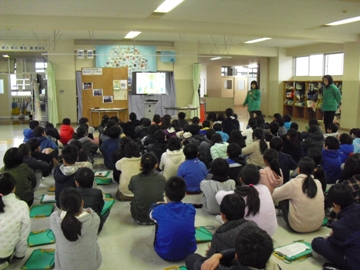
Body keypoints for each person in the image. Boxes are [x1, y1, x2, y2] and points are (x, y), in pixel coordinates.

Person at [216, 164, 278, 236]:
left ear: (240, 179)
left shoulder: (239, 193)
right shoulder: (265, 188)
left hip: (249, 236)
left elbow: (218, 196)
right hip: (270, 232)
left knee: (220, 217)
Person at [50, 188, 102, 270]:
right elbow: (91, 212)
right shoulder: (94, 219)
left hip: (64, 267)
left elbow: (57, 214)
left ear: (61, 207)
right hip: (91, 266)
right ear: (82, 203)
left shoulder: (54, 219)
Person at [312, 184, 360, 270]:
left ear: (335, 205)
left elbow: (333, 243)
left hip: (354, 262)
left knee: (317, 242)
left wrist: (333, 235)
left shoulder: (340, 225)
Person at [185, 227, 278, 270]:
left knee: (192, 258)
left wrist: (216, 256)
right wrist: (219, 255)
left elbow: (199, 264)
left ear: (237, 255)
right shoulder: (274, 266)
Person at [149, 176, 196, 261]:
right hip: (189, 251)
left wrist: (158, 204)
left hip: (165, 253)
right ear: (185, 193)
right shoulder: (191, 208)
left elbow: (150, 215)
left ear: (165, 194)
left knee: (157, 220)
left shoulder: (160, 210)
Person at [272, 157, 324, 233]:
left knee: (284, 197)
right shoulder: (318, 183)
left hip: (298, 226)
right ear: (313, 170)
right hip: (317, 225)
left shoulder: (293, 183)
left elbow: (274, 194)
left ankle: (277, 211)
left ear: (298, 169)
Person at [0, 173, 31, 270]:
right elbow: (23, 234)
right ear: (14, 188)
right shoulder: (21, 206)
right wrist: (20, 254)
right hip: (3, 255)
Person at [128, 153, 166, 225]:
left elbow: (131, 189)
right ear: (156, 165)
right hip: (157, 218)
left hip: (138, 218)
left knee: (134, 199)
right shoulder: (161, 178)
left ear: (141, 164)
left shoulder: (134, 179)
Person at [75, 168, 106, 233]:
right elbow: (100, 207)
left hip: (75, 229)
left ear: (76, 182)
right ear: (93, 181)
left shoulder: (71, 193)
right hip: (94, 228)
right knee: (107, 210)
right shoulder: (97, 192)